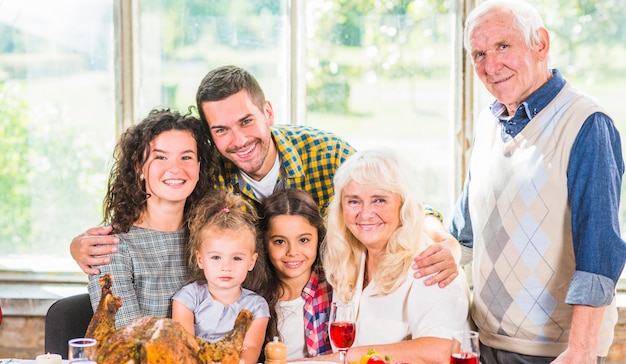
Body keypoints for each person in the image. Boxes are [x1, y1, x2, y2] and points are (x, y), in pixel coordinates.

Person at [70, 65, 461, 288]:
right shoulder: (206, 177)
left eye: (246, 121)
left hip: (328, 309)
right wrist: (80, 246)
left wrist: (446, 244)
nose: (238, 140)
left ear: (268, 113)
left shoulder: (325, 153)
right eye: (221, 130)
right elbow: (154, 208)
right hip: (247, 315)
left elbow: (394, 205)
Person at [450, 0, 626, 364]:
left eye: (502, 47)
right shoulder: (487, 121)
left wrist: (580, 350)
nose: (490, 65)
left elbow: (600, 251)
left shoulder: (586, 124)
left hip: (556, 354)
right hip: (484, 344)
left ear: (541, 44)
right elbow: (466, 234)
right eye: (478, 53)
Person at [314, 148, 470, 364]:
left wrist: (346, 359)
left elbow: (441, 354)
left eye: (379, 200)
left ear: (402, 204)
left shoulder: (430, 262)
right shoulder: (349, 255)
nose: (365, 214)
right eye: (353, 201)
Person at [87, 108, 215, 328]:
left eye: (186, 157)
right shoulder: (113, 248)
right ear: (140, 167)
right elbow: (128, 342)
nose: (175, 168)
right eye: (161, 157)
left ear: (198, 167)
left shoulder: (212, 236)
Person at [172, 192, 270, 364]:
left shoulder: (257, 306)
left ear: (251, 262)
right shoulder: (187, 299)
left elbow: (251, 351)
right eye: (216, 257)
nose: (226, 267)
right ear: (200, 259)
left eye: (237, 258)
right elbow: (184, 347)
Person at [251, 188, 332, 360]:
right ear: (263, 243)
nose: (292, 251)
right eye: (280, 242)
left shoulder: (336, 289)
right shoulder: (252, 298)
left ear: (319, 237)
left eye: (303, 240)